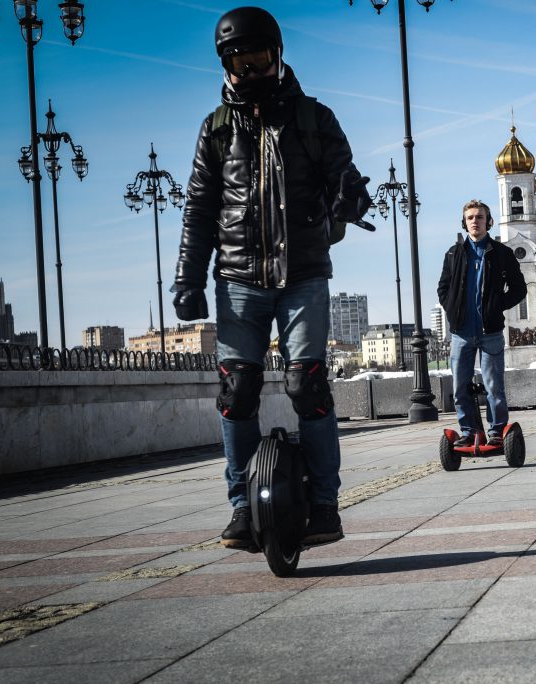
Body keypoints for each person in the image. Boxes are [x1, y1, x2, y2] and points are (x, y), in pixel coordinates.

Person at [172, 7, 372, 549]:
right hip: (238, 278)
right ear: (227, 65)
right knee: (237, 392)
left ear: (278, 56)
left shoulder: (314, 118)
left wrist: (351, 196)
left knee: (308, 383)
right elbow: (198, 210)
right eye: (242, 61)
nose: (253, 70)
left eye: (261, 59)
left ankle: (326, 506)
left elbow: (343, 175)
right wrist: (187, 280)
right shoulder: (214, 130)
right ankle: (241, 508)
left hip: (304, 273)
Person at [438, 200, 527, 446]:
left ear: (488, 221)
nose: (475, 221)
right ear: (464, 223)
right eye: (470, 218)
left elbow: (519, 288)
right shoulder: (454, 254)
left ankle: (497, 430)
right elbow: (443, 288)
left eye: (479, 217)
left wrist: (497, 306)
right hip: (461, 333)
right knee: (459, 386)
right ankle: (467, 431)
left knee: (493, 386)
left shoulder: (501, 253)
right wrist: (453, 310)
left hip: (490, 332)